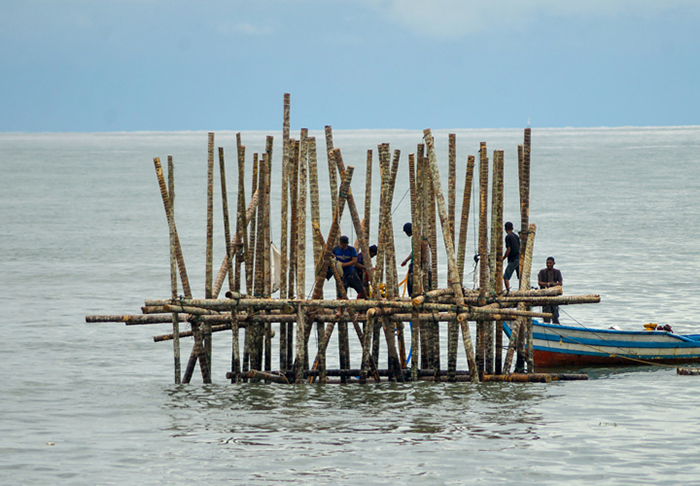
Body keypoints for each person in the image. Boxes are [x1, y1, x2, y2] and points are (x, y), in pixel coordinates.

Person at [400, 222, 431, 296]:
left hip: (418, 262)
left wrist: (423, 257)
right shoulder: (414, 238)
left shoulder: (417, 238)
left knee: (412, 280)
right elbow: (414, 251)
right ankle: (412, 294)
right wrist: (406, 260)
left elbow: (423, 245)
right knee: (411, 279)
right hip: (415, 262)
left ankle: (413, 294)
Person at [332, 235, 367, 300]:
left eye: (344, 245)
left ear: (347, 244)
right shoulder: (336, 249)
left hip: (350, 272)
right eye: (341, 244)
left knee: (361, 289)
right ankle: (340, 308)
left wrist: (344, 264)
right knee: (340, 293)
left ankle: (364, 301)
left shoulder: (351, 250)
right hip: (341, 274)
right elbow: (331, 257)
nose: (342, 246)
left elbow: (354, 261)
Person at [538, 256, 563, 324]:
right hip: (545, 296)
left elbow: (560, 283)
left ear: (553, 263)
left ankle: (556, 327)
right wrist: (547, 284)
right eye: (547, 263)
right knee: (546, 316)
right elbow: (540, 283)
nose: (548, 264)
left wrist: (554, 284)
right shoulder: (542, 272)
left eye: (550, 263)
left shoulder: (557, 272)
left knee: (555, 315)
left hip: (554, 296)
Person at [502, 221, 520, 294]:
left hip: (513, 259)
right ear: (512, 228)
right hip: (518, 258)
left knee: (506, 276)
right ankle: (521, 289)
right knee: (520, 276)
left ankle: (508, 291)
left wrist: (503, 258)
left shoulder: (508, 237)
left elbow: (509, 249)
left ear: (505, 229)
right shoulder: (516, 236)